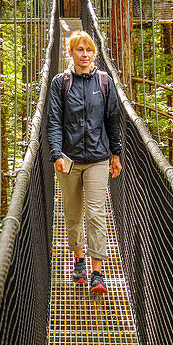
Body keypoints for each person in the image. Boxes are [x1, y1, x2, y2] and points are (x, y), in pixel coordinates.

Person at [46, 30, 123, 295]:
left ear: (94, 53)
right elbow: (53, 120)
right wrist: (56, 153)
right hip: (68, 159)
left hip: (98, 159)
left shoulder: (104, 81)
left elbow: (113, 119)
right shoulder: (60, 83)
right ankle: (78, 261)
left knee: (96, 214)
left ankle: (97, 273)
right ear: (71, 53)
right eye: (80, 50)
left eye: (89, 50)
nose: (85, 55)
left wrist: (116, 153)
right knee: (73, 213)